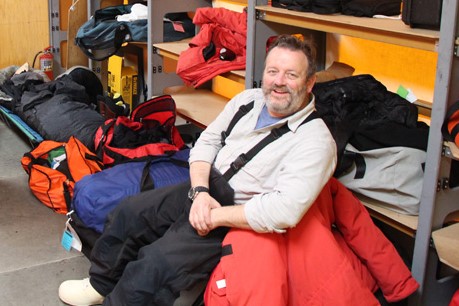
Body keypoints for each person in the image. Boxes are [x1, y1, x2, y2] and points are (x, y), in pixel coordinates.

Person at [58, 34, 337, 306]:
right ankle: (99, 285)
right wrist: (201, 191)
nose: (278, 82)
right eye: (273, 71)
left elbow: (283, 210)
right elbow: (207, 142)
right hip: (205, 188)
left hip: (239, 215)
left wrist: (215, 216)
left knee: (158, 263)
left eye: (291, 75)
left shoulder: (315, 140)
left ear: (310, 82)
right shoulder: (248, 101)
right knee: (128, 212)